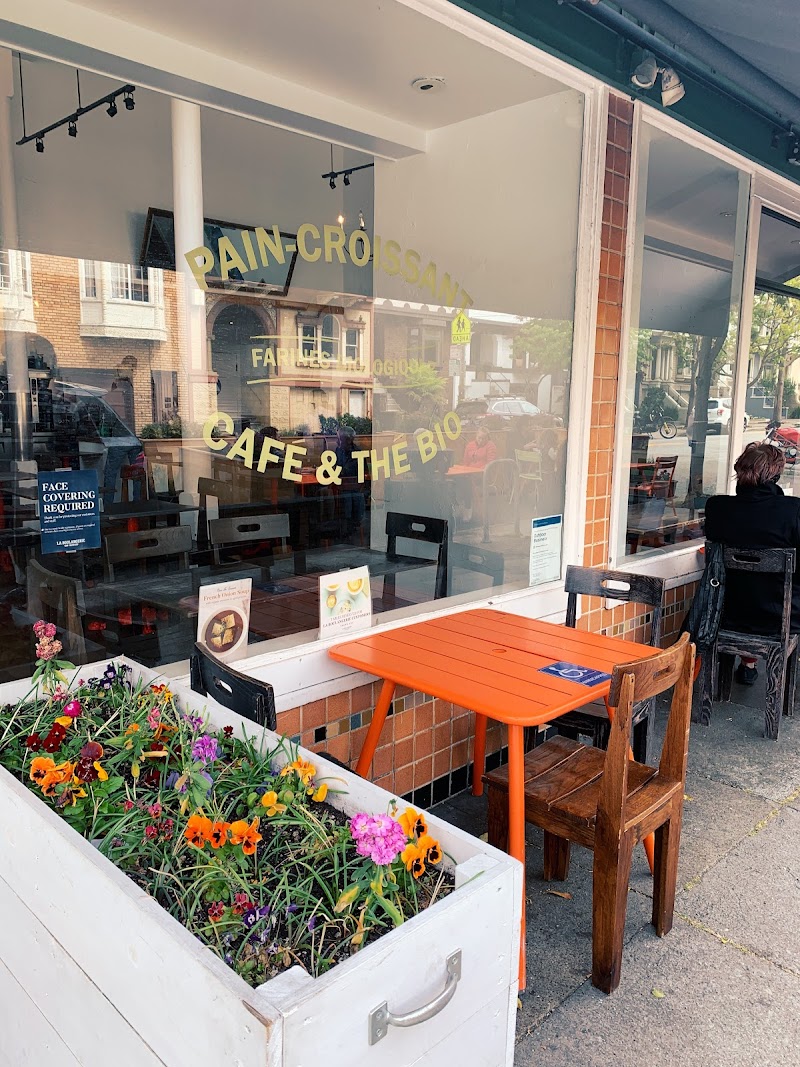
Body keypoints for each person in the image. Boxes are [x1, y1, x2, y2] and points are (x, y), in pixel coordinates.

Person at [704, 442, 800, 685]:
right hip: (783, 617)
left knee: (749, 590)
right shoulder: (792, 510)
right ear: (776, 475)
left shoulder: (717, 507)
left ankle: (748, 664)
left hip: (727, 613)